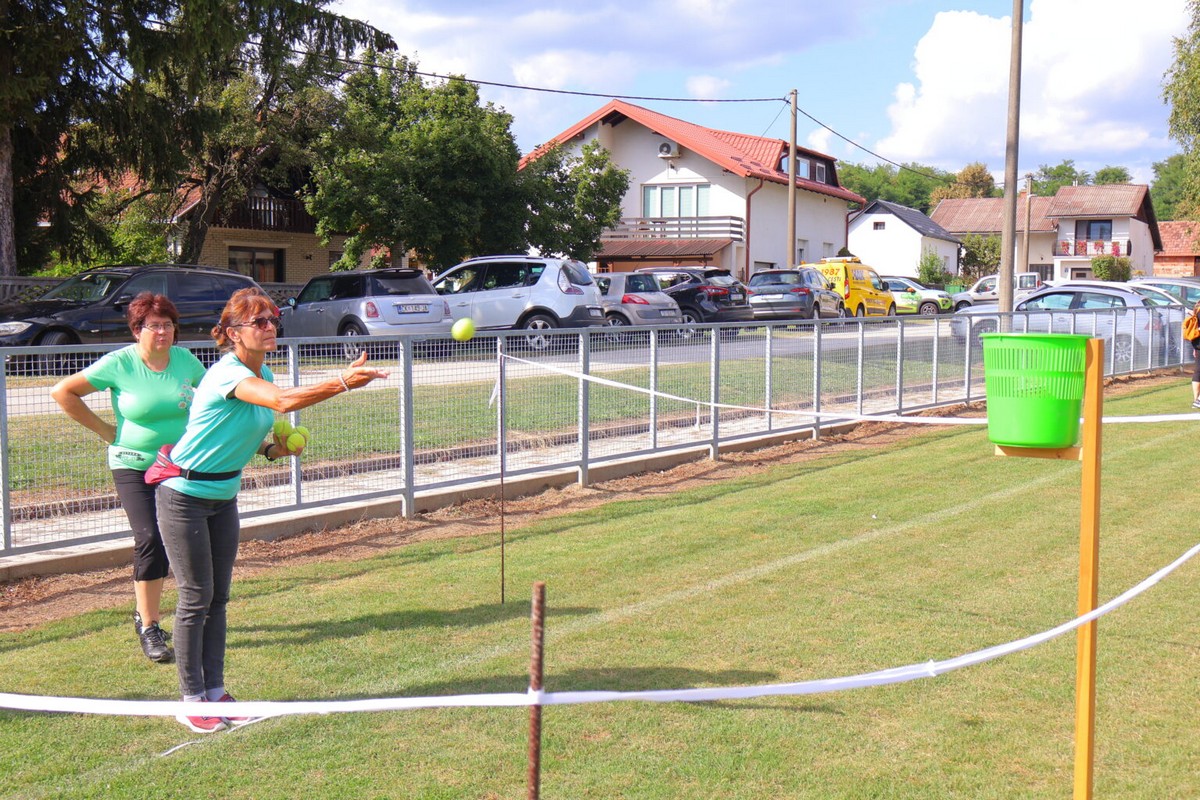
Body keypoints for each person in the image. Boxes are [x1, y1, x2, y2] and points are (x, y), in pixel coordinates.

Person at [157, 288, 387, 733]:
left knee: (218, 598)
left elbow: (239, 428)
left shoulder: (259, 369)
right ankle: (191, 700)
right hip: (183, 495)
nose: (269, 327)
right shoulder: (228, 373)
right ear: (231, 334)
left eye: (272, 319)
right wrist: (342, 382)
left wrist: (270, 449)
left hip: (223, 496)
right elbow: (282, 401)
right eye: (258, 322)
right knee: (194, 598)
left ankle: (217, 691)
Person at [50, 293, 206, 663]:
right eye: (155, 325)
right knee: (149, 537)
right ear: (137, 330)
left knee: (179, 539)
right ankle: (148, 624)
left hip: (175, 464)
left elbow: (214, 395)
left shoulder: (185, 360)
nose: (163, 332)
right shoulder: (119, 363)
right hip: (132, 463)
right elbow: (62, 391)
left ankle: (189, 615)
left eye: (168, 324)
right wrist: (107, 431)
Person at [1189, 299, 1200, 409]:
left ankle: (1196, 400)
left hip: (1197, 343)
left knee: (1198, 372)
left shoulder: (1196, 308)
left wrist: (1194, 347)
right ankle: (1198, 400)